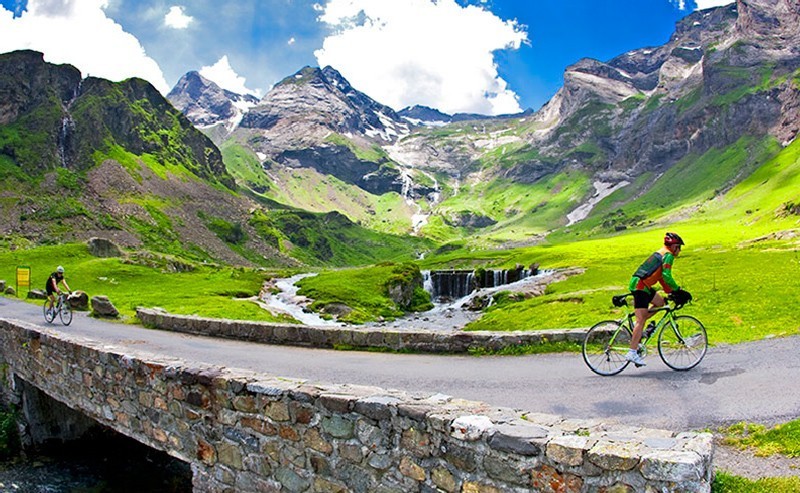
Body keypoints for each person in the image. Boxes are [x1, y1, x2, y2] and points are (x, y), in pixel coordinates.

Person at [625, 232, 685, 367]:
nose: (680, 251)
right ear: (674, 247)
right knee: (641, 321)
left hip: (642, 284)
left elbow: (661, 278)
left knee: (660, 303)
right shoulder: (668, 255)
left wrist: (671, 292)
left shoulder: (662, 252)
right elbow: (666, 275)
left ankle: (638, 329)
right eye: (679, 247)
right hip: (640, 286)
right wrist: (678, 290)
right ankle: (632, 352)